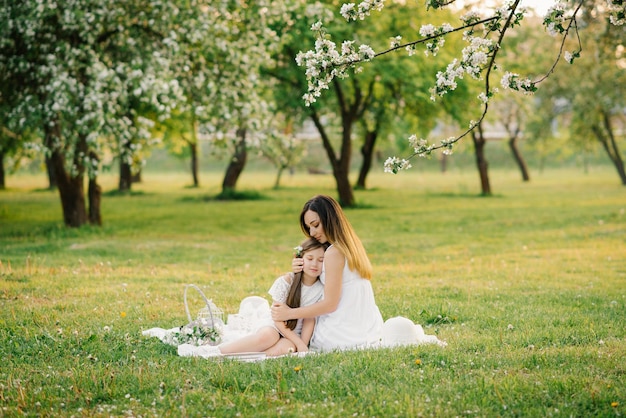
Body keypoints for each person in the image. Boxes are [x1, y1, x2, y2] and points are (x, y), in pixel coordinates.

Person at [178, 237, 326, 358]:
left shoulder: (320, 289)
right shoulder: (287, 281)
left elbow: (309, 319)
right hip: (275, 325)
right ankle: (216, 351)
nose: (315, 264)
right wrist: (297, 342)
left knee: (287, 348)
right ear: (300, 259)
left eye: (321, 260)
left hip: (294, 334)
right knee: (268, 337)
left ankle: (245, 358)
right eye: (310, 258)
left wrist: (302, 344)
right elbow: (277, 317)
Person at [271, 194, 384, 351]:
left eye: (315, 225)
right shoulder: (351, 245)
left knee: (282, 335)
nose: (311, 232)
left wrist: (290, 313)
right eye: (309, 227)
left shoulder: (333, 253)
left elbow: (330, 304)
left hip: (342, 331)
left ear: (330, 219)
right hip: (368, 326)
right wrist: (301, 266)